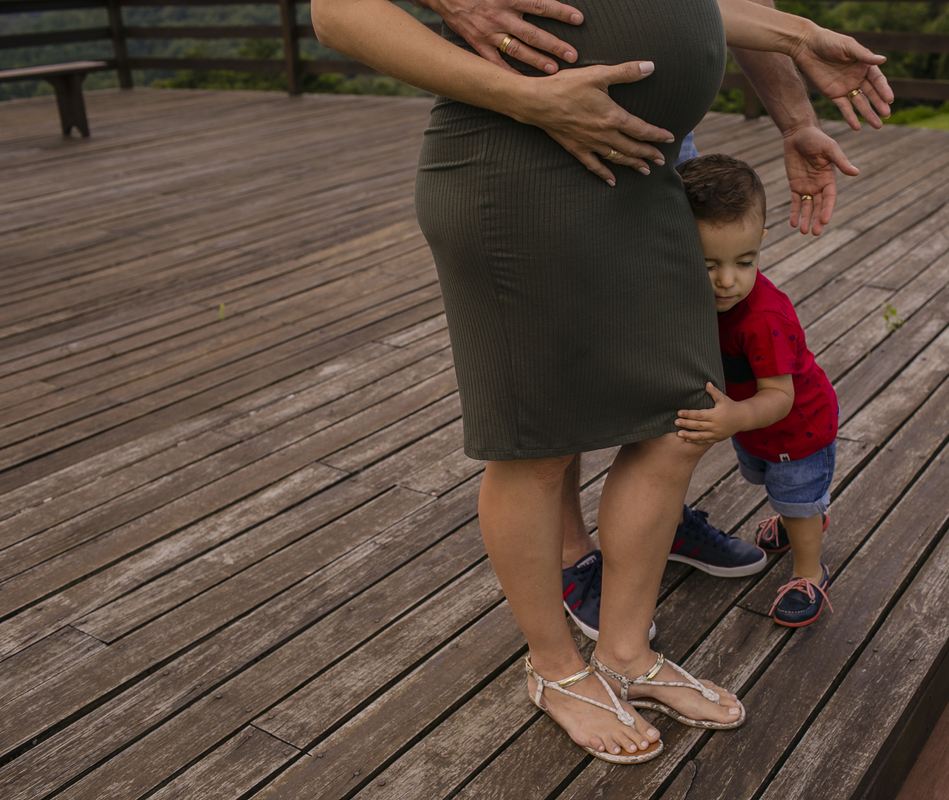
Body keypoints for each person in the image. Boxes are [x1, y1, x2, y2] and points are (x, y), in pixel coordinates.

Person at [312, 0, 887, 765]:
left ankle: (624, 653)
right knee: (537, 445)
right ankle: (554, 670)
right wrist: (526, 96)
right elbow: (335, 12)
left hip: (645, 176)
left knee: (681, 416)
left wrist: (802, 37)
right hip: (518, 163)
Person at [409, 0, 892, 640]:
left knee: (673, 388)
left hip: (659, 149)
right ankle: (573, 561)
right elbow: (340, 17)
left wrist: (799, 64)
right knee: (553, 409)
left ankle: (649, 550)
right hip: (530, 145)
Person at [675, 154, 837, 627]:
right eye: (709, 265)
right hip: (757, 430)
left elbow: (780, 397)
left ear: (762, 242)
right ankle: (799, 519)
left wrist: (733, 419)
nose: (728, 281)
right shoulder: (707, 299)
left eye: (745, 262)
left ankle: (810, 570)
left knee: (795, 496)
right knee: (772, 485)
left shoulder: (764, 319)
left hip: (798, 432)